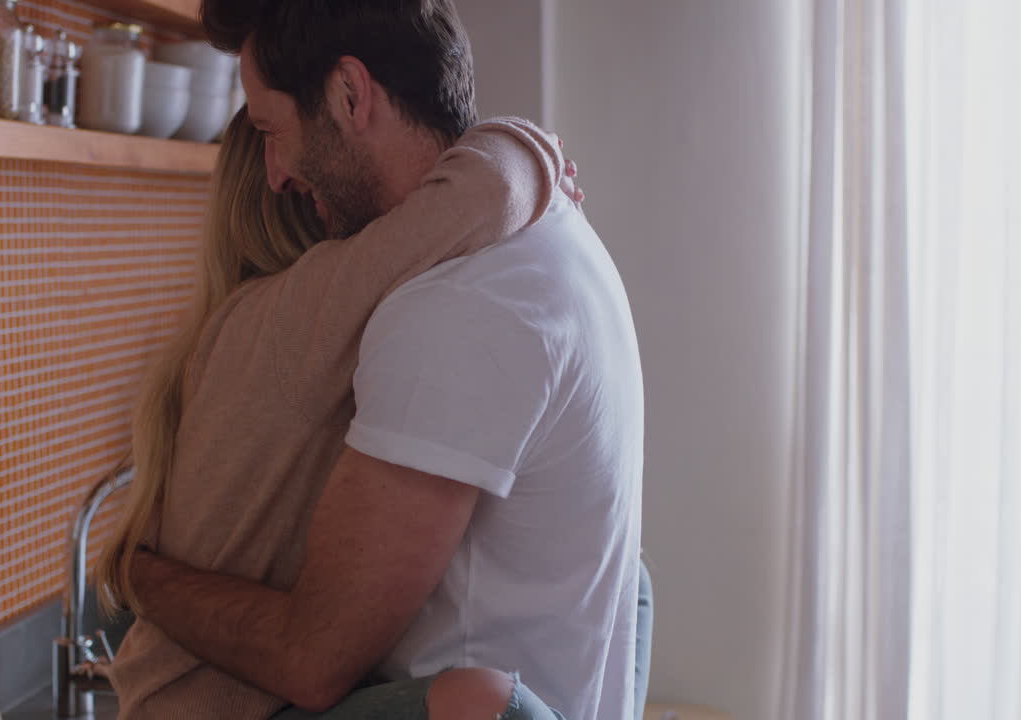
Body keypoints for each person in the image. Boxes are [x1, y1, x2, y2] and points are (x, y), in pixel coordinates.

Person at [121, 1, 644, 718]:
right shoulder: (554, 236)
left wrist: (140, 579)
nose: (274, 174)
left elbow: (313, 658)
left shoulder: (456, 305)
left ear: (348, 94)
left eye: (272, 129)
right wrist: (524, 149)